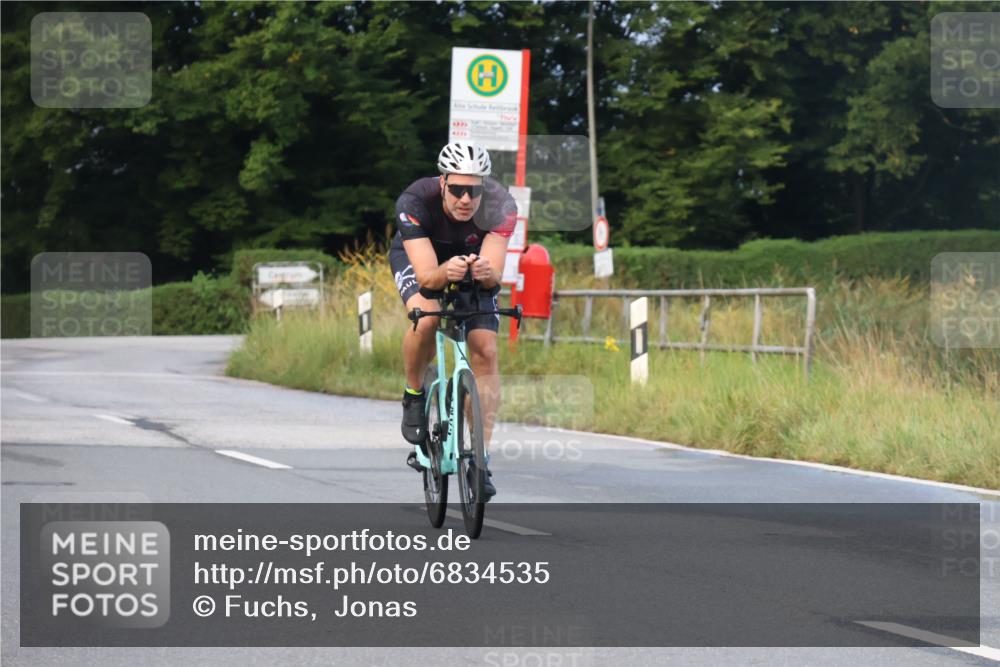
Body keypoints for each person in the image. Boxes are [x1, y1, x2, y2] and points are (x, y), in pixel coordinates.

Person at [389, 141, 516, 498]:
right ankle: (414, 394)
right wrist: (447, 270)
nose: (466, 199)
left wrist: (486, 272)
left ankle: (480, 458)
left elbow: (494, 280)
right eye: (457, 189)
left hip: (471, 266)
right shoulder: (414, 201)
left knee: (486, 350)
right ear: (442, 182)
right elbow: (429, 278)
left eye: (474, 191)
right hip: (423, 259)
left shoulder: (501, 206)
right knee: (426, 318)